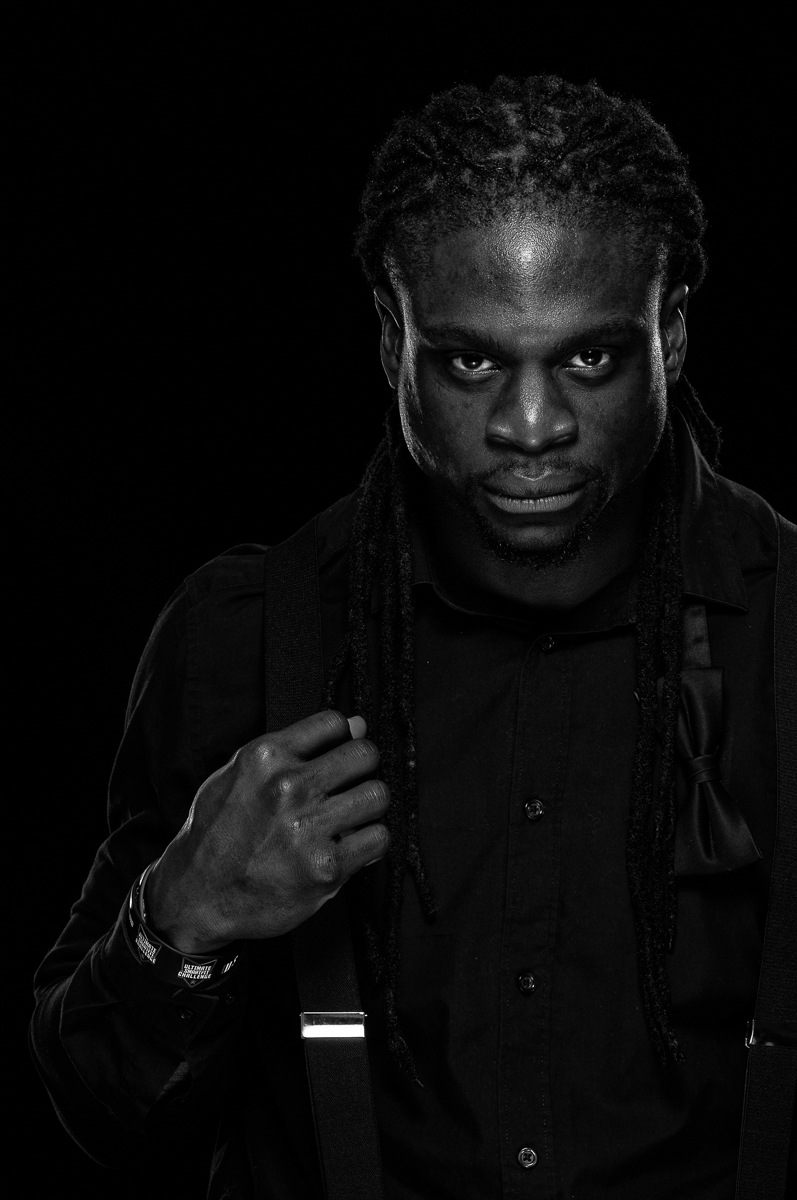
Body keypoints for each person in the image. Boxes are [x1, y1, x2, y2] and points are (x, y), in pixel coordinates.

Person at [30, 74, 794, 1199]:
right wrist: (182, 919)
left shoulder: (785, 633)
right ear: (393, 341)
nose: (529, 427)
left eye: (588, 358)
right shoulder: (245, 636)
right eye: (470, 361)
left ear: (669, 334)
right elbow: (106, 1121)